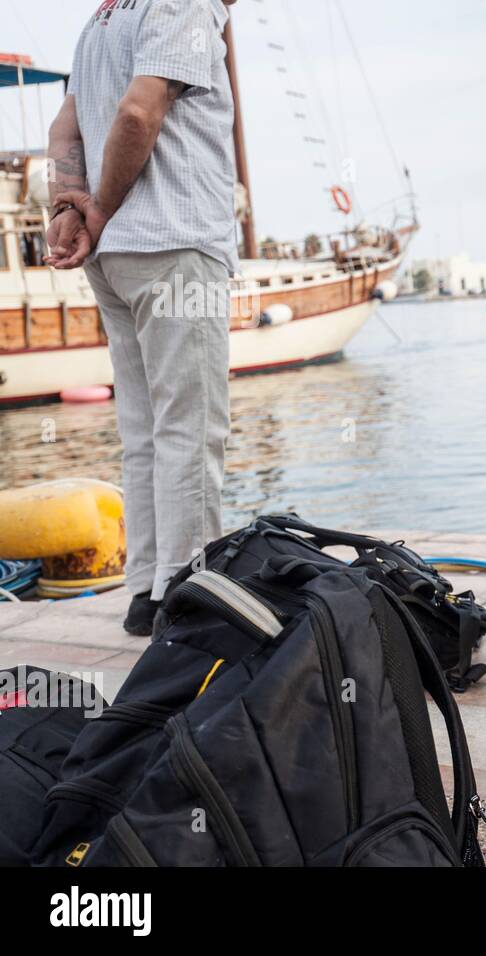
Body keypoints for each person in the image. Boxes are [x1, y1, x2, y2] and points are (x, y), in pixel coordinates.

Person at [44, 0, 238, 636]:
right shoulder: (183, 4)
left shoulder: (100, 17)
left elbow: (63, 133)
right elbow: (138, 111)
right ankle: (188, 599)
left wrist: (67, 210)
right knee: (190, 425)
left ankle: (147, 593)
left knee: (145, 428)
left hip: (117, 259)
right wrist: (96, 208)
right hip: (175, 242)